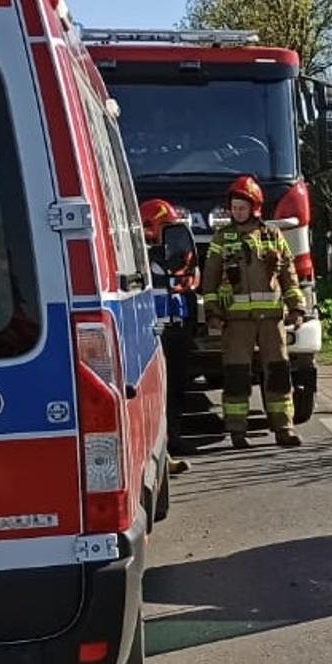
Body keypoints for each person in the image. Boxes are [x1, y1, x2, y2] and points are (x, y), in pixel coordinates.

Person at [202, 176, 308, 448]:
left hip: (272, 321)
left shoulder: (273, 236)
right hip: (236, 323)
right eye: (234, 208)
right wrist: (212, 313)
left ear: (255, 207)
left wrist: (296, 308)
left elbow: (289, 276)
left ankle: (284, 428)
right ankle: (237, 431)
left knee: (279, 373)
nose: (237, 212)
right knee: (236, 375)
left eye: (242, 207)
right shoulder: (222, 239)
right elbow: (210, 279)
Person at [141, 198, 194, 476]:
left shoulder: (173, 258)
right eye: (167, 228)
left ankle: (172, 440)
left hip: (175, 331)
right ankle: (163, 453)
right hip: (154, 336)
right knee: (157, 396)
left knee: (175, 391)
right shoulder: (142, 260)